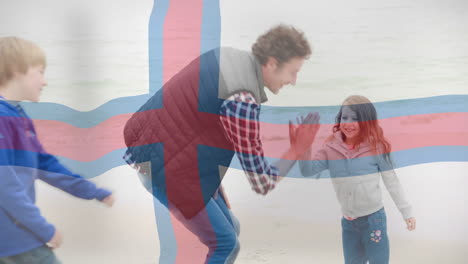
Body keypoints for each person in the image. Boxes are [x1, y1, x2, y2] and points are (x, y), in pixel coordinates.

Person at [123, 24, 319, 263]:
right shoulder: (242, 99)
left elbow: (195, 124)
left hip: (150, 152)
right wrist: (297, 148)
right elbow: (262, 182)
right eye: (292, 72)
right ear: (271, 63)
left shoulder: (226, 56)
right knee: (225, 244)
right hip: (163, 169)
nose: (294, 81)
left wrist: (214, 185)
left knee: (232, 228)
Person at [0, 36, 115, 264]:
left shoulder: (17, 115)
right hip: (14, 241)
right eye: (40, 72)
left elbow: (45, 165)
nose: (45, 81)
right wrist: (44, 229)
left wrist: (92, 191)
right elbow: (4, 186)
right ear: (15, 70)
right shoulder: (3, 118)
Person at [294, 95, 416, 264]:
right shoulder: (330, 147)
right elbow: (308, 170)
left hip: (374, 220)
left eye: (355, 119)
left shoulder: (377, 147)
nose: (348, 123)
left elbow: (392, 182)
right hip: (349, 222)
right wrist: (303, 147)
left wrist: (406, 212)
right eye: (345, 117)